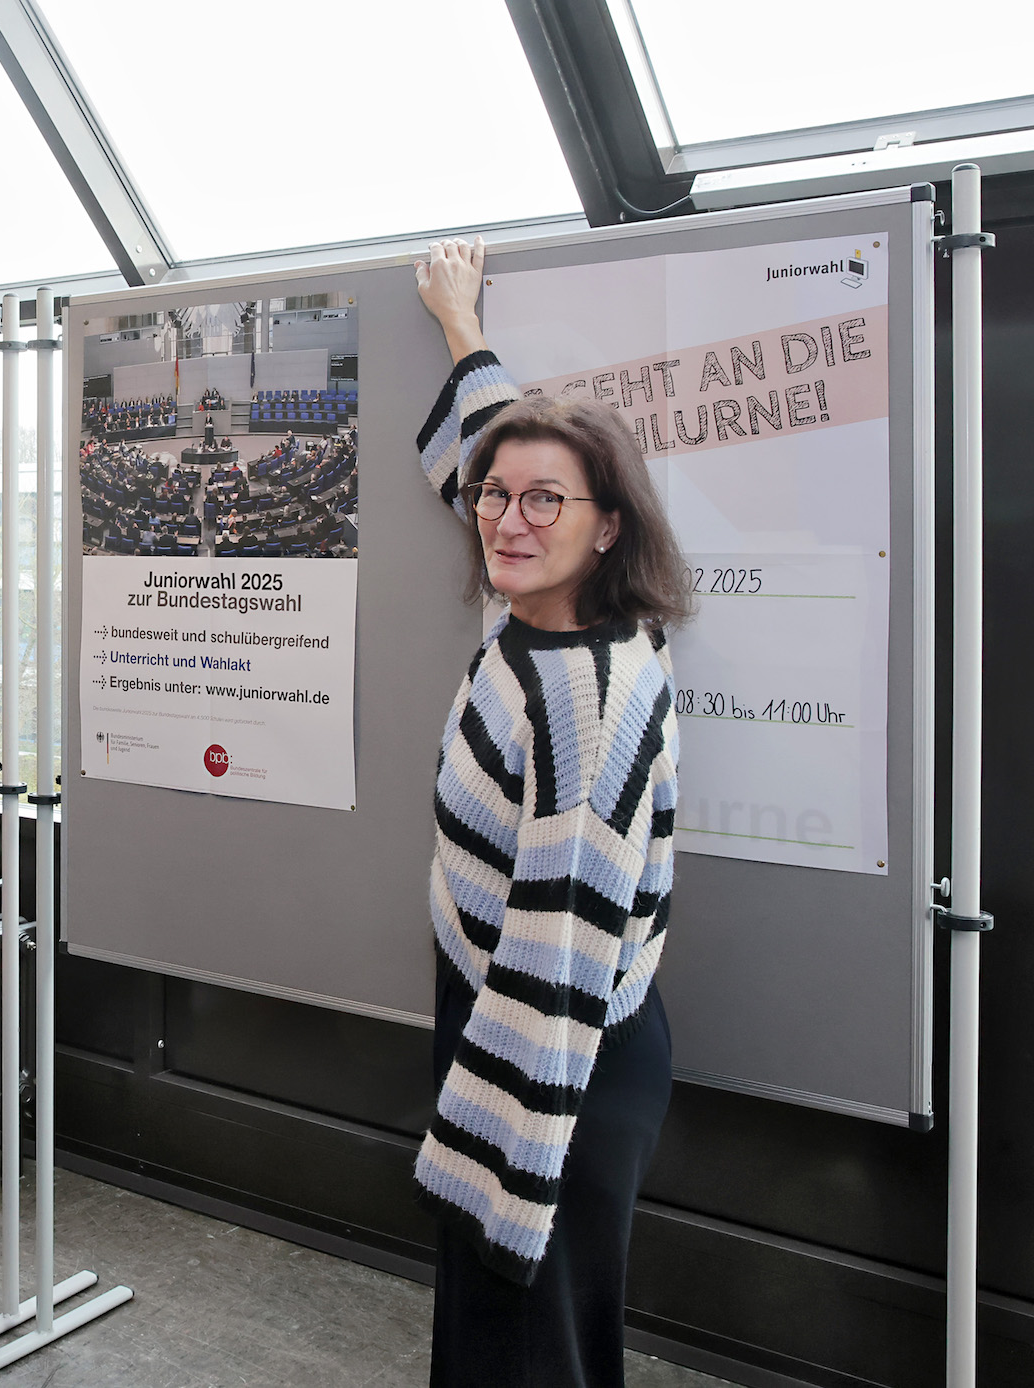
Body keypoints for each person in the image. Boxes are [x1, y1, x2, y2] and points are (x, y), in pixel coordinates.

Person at [411, 236, 689, 1387]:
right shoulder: (532, 620)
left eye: (544, 502)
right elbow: (483, 465)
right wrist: (460, 330)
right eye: (494, 495)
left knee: (531, 1343)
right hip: (511, 1018)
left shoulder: (587, 695)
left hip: (554, 1049)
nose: (503, 519)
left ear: (607, 524)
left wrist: (507, 1164)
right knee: (500, 1336)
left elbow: (563, 945)